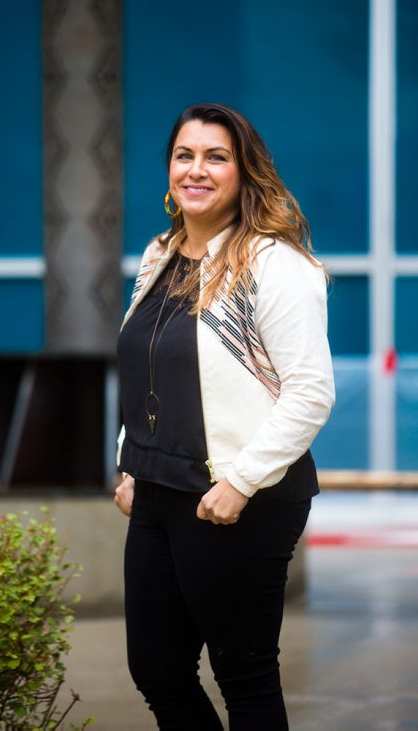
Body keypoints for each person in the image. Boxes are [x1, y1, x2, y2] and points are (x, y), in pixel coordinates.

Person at [114, 102, 335, 731]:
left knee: (245, 677)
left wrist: (241, 481)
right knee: (157, 671)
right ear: (169, 171)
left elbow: (311, 391)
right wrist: (131, 460)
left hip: (241, 496)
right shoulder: (160, 255)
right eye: (185, 155)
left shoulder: (271, 263)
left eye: (217, 157)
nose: (197, 170)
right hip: (158, 490)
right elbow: (149, 364)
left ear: (244, 173)